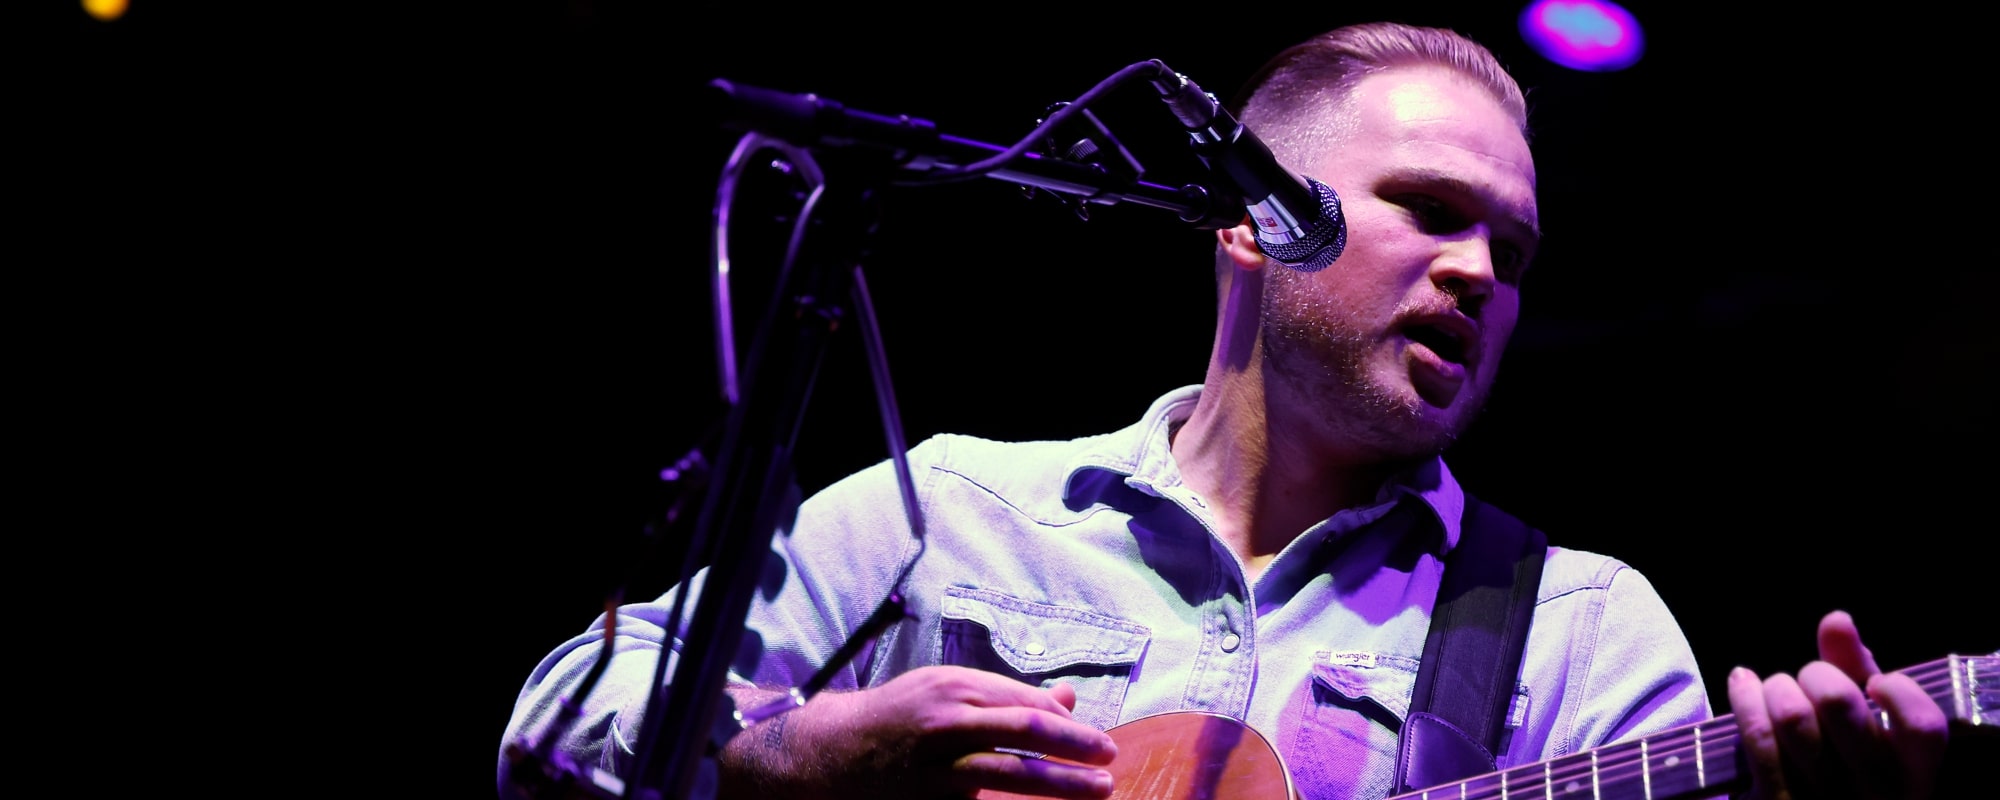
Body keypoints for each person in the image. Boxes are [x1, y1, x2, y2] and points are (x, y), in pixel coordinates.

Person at [499, 21, 1955, 800]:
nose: (1478, 275)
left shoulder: (1580, 626)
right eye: (1431, 212)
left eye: (1510, 253)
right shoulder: (951, 509)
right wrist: (782, 764)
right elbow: (556, 725)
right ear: (1252, 226)